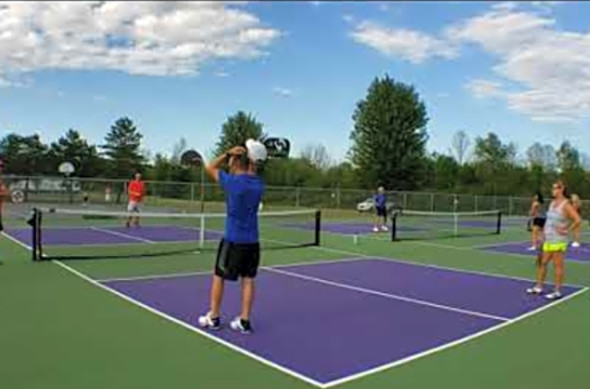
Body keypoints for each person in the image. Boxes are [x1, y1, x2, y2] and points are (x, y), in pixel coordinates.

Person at [199, 139, 267, 334]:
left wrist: (227, 154)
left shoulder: (232, 182)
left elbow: (210, 166)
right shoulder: (258, 184)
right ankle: (244, 321)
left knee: (218, 277)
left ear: (236, 162)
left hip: (233, 241)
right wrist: (247, 157)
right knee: (248, 279)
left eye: (232, 160)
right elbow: (252, 170)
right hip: (252, 242)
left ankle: (214, 317)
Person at [527, 180, 581, 300]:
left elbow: (577, 220)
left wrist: (566, 230)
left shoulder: (566, 205)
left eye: (555, 188)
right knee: (542, 263)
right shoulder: (552, 203)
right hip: (548, 238)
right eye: (553, 188)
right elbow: (549, 221)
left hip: (559, 240)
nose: (553, 190)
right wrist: (543, 236)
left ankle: (557, 291)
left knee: (558, 266)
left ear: (561, 189)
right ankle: (539, 287)